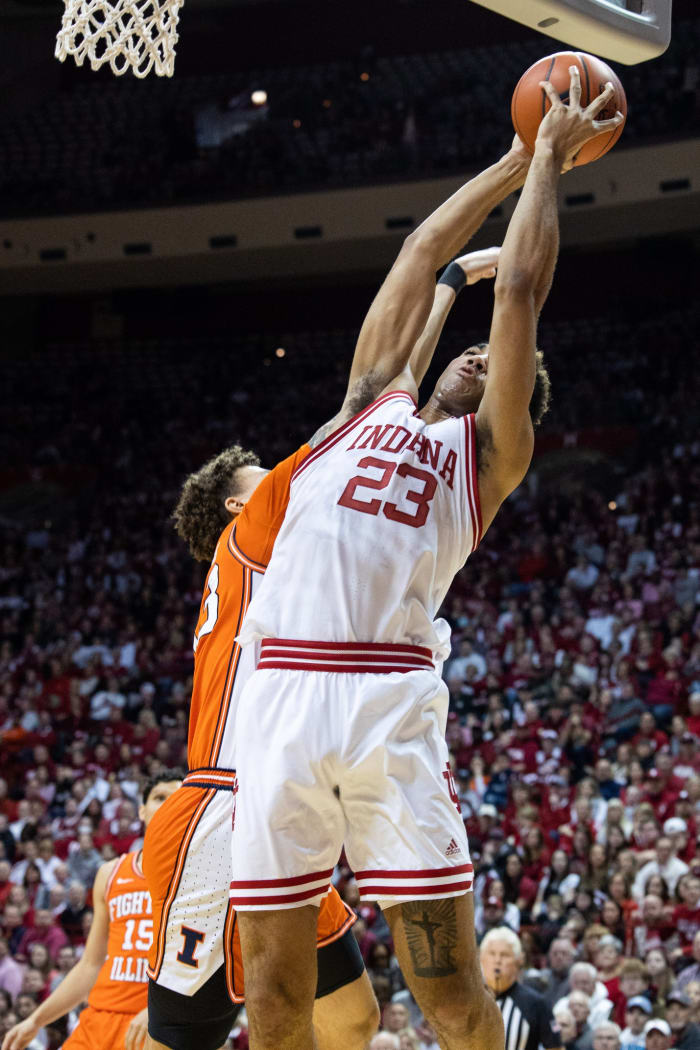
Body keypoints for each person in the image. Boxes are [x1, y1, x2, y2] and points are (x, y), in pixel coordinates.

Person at [229, 68, 622, 1050]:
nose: (486, 356)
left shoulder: (487, 459)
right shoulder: (366, 401)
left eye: (505, 365)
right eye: (480, 348)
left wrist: (548, 164)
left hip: (386, 707)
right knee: (274, 997)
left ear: (516, 406)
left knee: (446, 990)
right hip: (279, 698)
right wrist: (507, 158)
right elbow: (421, 250)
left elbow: (522, 287)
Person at [144, 242, 500, 1050]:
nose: (287, 472)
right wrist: (445, 285)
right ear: (241, 507)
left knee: (351, 1016)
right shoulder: (263, 526)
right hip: (225, 803)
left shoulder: (279, 550)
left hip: (288, 786)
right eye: (264, 475)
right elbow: (374, 402)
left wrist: (449, 294)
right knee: (186, 1036)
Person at [1, 770, 183, 1050]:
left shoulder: (200, 878)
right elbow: (90, 965)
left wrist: (165, 1014)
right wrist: (36, 1020)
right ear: (142, 811)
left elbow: (209, 971)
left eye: (179, 798)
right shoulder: (110, 873)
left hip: (152, 1025)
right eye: (160, 797)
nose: (170, 804)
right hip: (98, 1017)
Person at [481, 928, 563, 1050]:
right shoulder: (468, 1001)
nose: (497, 961)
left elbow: (555, 1047)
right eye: (492, 953)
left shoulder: (537, 1004)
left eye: (505, 955)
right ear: (481, 958)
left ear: (519, 960)